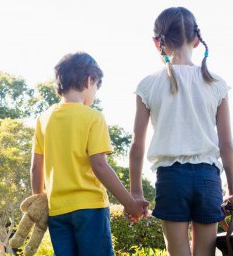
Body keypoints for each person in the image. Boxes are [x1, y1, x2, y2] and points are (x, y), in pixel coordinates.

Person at [128, 7, 233, 256]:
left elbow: (137, 144)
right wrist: (232, 190)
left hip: (171, 179)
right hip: (208, 179)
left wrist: (136, 192)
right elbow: (227, 144)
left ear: (157, 42)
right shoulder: (216, 84)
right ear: (196, 40)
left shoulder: (148, 85)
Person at [30, 52, 149, 256]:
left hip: (57, 211)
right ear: (89, 80)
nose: (94, 95)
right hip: (90, 209)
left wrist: (38, 200)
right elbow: (99, 165)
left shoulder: (43, 119)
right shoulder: (93, 117)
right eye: (96, 88)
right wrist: (129, 203)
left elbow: (35, 167)